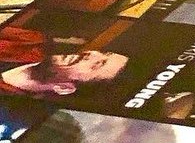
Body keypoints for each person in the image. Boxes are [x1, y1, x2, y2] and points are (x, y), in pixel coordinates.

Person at [0, 31, 128, 97]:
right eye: (105, 53)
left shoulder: (8, 103)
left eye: (97, 65)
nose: (91, 53)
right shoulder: (32, 41)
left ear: (65, 88)